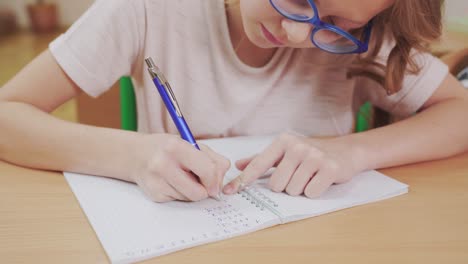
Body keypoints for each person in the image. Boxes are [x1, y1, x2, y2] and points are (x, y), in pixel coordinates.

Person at [0, 0, 466, 202]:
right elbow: (8, 114)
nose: (297, 33)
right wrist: (132, 154)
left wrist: (355, 151)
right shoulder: (148, 10)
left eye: (336, 21)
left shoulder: (360, 41)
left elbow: (460, 110)